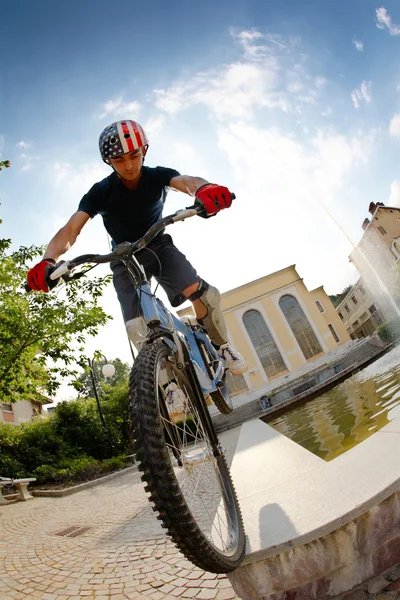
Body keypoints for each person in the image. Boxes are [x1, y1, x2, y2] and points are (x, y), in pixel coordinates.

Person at [27, 119, 247, 377]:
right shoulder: (101, 191)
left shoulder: (157, 175)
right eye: (120, 159)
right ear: (109, 162)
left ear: (145, 149)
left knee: (204, 296)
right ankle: (167, 386)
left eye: (134, 155)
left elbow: (187, 181)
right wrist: (48, 259)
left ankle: (222, 346)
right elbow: (70, 230)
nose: (129, 165)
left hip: (158, 245)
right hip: (123, 256)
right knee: (136, 326)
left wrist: (204, 188)